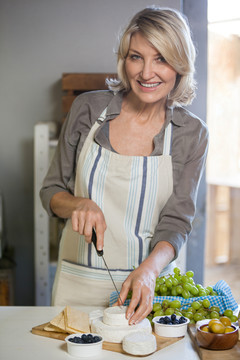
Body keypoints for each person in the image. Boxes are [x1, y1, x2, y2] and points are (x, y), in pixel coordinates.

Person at [40, 6, 208, 325]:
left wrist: (148, 271)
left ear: (180, 65)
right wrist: (78, 203)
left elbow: (176, 221)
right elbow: (51, 191)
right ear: (124, 59)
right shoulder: (87, 109)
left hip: (144, 291)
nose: (146, 73)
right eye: (136, 57)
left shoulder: (192, 134)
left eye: (161, 58)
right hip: (77, 283)